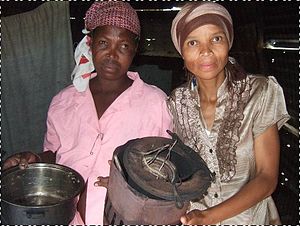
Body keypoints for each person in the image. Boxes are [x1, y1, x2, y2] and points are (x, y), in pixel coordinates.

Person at [3, 1, 172, 224]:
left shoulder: (156, 103)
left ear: (135, 50)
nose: (112, 55)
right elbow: (55, 153)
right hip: (67, 217)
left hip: (126, 218)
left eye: (123, 46)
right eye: (103, 43)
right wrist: (35, 160)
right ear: (90, 44)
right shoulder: (63, 102)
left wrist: (131, 179)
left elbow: (168, 168)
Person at [167, 2, 290, 225]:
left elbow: (266, 176)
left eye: (216, 38)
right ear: (182, 51)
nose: (206, 50)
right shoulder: (177, 102)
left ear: (228, 42)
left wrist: (210, 217)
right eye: (193, 42)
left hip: (250, 219)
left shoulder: (258, 92)